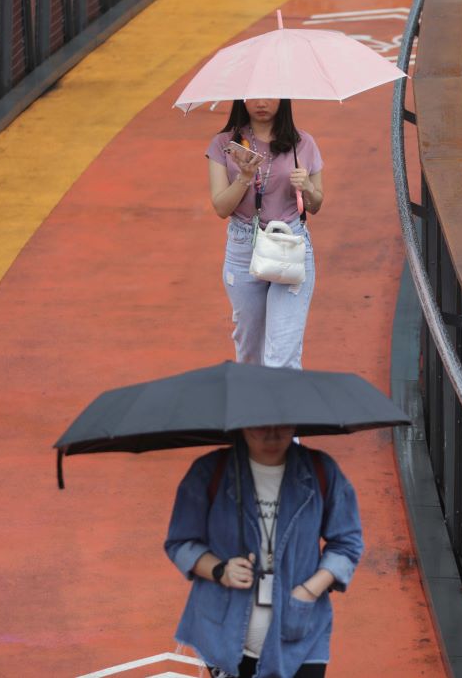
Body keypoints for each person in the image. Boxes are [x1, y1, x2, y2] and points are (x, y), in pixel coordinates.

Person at [165, 426, 363, 678]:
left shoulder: (321, 471)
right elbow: (181, 542)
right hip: (225, 634)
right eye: (260, 427)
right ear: (241, 425)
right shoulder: (210, 471)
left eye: (281, 425)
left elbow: (347, 542)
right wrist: (219, 570)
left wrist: (310, 590)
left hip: (301, 634)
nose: (272, 435)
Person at [207, 99, 324, 369]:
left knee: (282, 356)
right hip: (243, 246)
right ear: (242, 100)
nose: (261, 103)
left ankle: (284, 410)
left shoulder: (303, 143)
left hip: (289, 243)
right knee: (250, 350)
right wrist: (244, 177)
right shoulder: (224, 144)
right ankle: (254, 407)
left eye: (270, 95)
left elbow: (315, 205)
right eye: (253, 96)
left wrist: (306, 186)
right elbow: (221, 207)